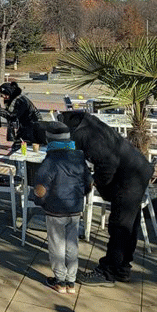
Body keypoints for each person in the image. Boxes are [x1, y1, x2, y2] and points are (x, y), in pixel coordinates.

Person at [60, 111, 152, 287]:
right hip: (137, 168)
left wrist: (99, 185)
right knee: (130, 224)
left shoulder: (86, 136)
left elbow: (107, 164)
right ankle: (123, 268)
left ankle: (107, 272)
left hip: (130, 177)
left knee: (120, 225)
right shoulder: (91, 124)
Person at [33, 122, 92, 294]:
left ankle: (59, 280)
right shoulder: (79, 156)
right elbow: (88, 182)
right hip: (74, 208)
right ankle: (71, 281)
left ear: (49, 139)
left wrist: (40, 201)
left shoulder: (51, 160)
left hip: (55, 209)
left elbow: (40, 188)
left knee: (57, 245)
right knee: (72, 244)